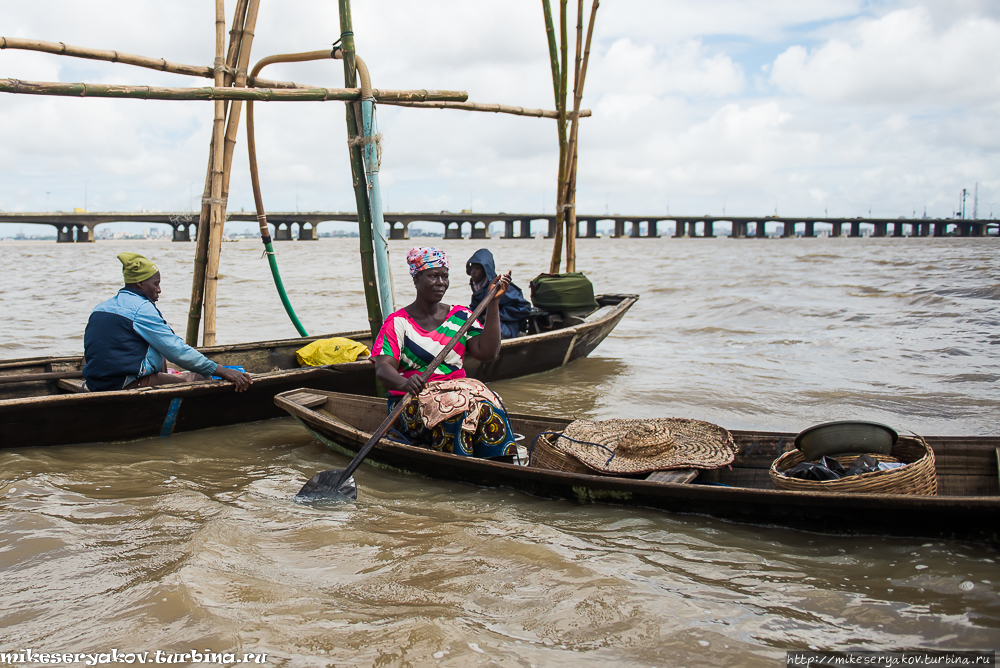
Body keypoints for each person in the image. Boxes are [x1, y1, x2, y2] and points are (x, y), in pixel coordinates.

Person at [371, 246, 518, 459]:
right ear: (417, 279)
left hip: (458, 392)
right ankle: (462, 466)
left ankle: (500, 464)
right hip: (410, 403)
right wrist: (404, 383)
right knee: (455, 414)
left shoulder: (461, 316)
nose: (441, 283)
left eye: (444, 277)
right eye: (433, 276)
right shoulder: (398, 323)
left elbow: (487, 353)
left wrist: (493, 302)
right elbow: (383, 367)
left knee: (489, 407)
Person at [82, 252, 252, 393]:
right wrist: (222, 371)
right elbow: (177, 351)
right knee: (199, 377)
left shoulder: (101, 307)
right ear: (140, 283)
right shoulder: (141, 308)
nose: (159, 290)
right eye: (155, 284)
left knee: (156, 347)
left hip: (95, 383)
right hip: (123, 384)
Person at [466, 248, 531, 339]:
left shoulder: (499, 287)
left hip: (507, 326)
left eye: (477, 268)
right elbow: (475, 308)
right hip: (487, 323)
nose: (473, 272)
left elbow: (525, 308)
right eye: (471, 268)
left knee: (483, 334)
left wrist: (495, 315)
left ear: (485, 269)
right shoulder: (477, 286)